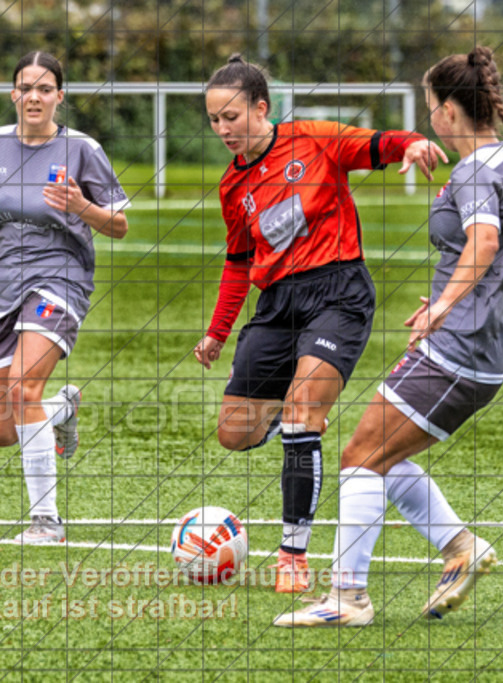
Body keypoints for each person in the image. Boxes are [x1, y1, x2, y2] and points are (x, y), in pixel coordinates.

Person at [275, 46, 503, 627]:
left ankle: (348, 598)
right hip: (483, 349)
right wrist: (457, 298)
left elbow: (486, 243)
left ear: (448, 113)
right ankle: (461, 547)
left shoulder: (475, 168)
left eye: (430, 103)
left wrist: (443, 305)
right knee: (380, 456)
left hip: (458, 350)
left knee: (359, 459)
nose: (428, 114)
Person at [194, 54, 447, 593]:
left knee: (300, 416)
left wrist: (413, 144)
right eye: (214, 120)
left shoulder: (313, 139)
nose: (222, 130)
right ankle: (300, 425)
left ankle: (293, 556)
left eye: (231, 117)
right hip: (276, 307)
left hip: (338, 294)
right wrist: (218, 332)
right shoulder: (230, 188)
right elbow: (239, 262)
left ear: (261, 108)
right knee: (234, 434)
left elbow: (375, 143)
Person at [0, 51, 129, 544]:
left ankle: (46, 522)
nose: (33, 97)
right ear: (13, 95)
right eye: (25, 88)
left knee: (22, 389)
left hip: (59, 278)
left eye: (44, 88)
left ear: (60, 96)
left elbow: (119, 225)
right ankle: (62, 410)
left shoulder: (82, 149)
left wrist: (81, 205)